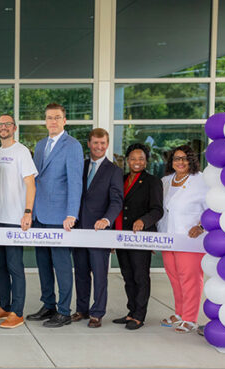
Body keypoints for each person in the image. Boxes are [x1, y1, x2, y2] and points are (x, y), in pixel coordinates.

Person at [26, 103, 84, 328]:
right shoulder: (41, 145)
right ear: (45, 121)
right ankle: (48, 304)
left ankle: (64, 311)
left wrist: (71, 214)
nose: (53, 121)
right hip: (40, 214)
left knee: (61, 266)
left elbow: (75, 182)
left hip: (60, 217)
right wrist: (30, 211)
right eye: (49, 117)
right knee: (43, 264)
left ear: (64, 120)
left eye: (57, 117)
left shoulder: (73, 146)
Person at [0, 114, 37, 329]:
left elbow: (30, 184)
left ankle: (17, 312)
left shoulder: (22, 152)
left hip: (14, 219)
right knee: (1, 268)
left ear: (14, 128)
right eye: (0, 124)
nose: (3, 127)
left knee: (15, 267)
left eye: (7, 124)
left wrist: (27, 212)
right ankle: (4, 307)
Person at [71, 128, 123, 328]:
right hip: (78, 229)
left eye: (102, 143)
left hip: (99, 231)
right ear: (89, 144)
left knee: (100, 274)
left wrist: (107, 220)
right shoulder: (80, 166)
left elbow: (116, 201)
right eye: (95, 143)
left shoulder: (114, 170)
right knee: (81, 272)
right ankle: (82, 309)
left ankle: (97, 312)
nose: (99, 147)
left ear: (107, 145)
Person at [113, 143, 164, 330]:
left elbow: (157, 210)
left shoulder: (152, 181)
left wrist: (144, 220)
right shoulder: (122, 179)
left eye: (141, 159)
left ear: (146, 161)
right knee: (127, 276)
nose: (137, 162)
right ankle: (131, 311)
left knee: (140, 276)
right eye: (133, 158)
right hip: (121, 235)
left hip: (140, 236)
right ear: (127, 160)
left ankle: (139, 316)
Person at [158, 145, 208, 333]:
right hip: (167, 237)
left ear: (192, 161)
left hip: (189, 239)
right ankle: (179, 313)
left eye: (185, 158)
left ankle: (190, 318)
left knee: (190, 279)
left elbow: (213, 207)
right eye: (176, 158)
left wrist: (201, 226)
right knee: (174, 278)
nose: (180, 162)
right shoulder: (166, 181)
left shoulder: (202, 181)